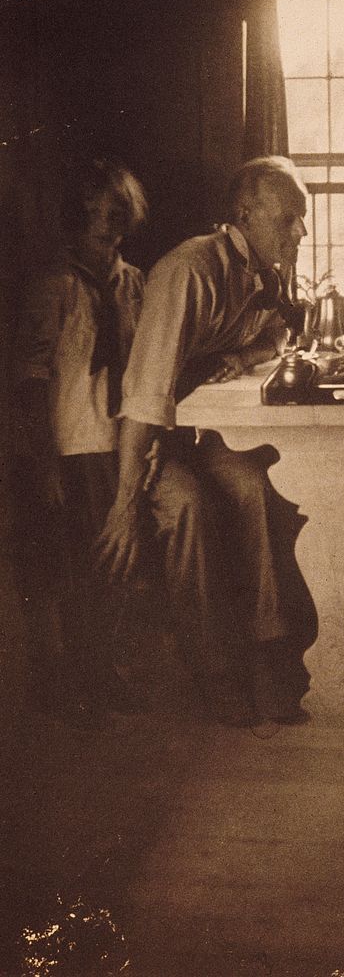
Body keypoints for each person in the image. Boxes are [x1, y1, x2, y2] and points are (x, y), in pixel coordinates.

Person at [94, 155, 310, 727]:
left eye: (301, 219)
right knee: (186, 505)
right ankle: (216, 672)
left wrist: (238, 355)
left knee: (256, 487)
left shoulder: (263, 269)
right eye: (289, 219)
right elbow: (143, 396)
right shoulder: (191, 269)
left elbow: (278, 331)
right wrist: (123, 505)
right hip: (145, 439)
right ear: (245, 214)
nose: (301, 232)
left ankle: (266, 656)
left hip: (198, 433)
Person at [13, 156, 148, 722]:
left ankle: (102, 671)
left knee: (114, 565)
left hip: (117, 441)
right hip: (66, 445)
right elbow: (28, 383)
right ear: (74, 219)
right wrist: (42, 464)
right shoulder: (54, 288)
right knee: (69, 570)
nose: (105, 227)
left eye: (115, 215)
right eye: (93, 214)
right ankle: (70, 682)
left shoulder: (133, 282)